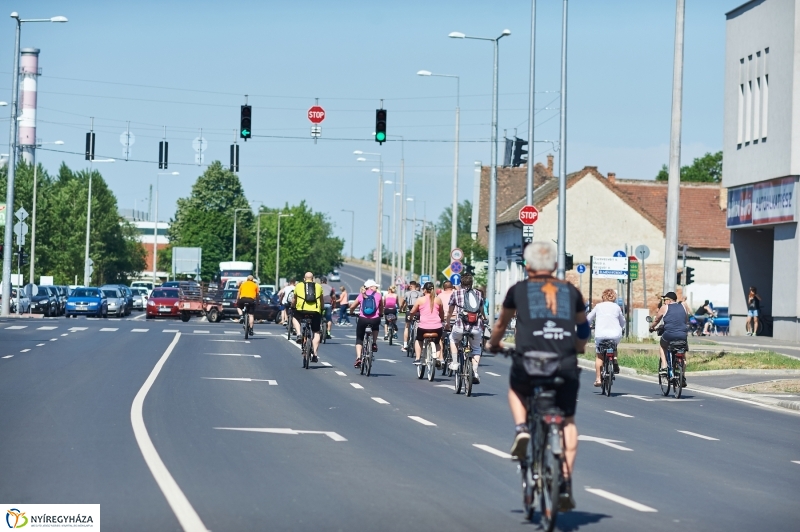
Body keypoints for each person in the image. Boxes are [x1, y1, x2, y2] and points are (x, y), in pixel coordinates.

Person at [488, 241, 588, 512]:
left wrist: (494, 344)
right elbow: (583, 327)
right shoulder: (571, 291)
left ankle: (522, 430)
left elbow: (501, 324)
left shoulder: (518, 291)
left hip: (529, 364)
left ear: (527, 266)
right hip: (565, 364)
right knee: (567, 420)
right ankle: (564, 482)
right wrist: (579, 348)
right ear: (556, 266)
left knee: (516, 390)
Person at [446, 274, 485, 384]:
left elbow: (450, 311)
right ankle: (475, 371)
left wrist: (447, 323)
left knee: (453, 339)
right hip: (476, 327)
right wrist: (484, 319)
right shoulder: (478, 294)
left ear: (461, 283)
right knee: (476, 349)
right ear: (472, 283)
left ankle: (454, 362)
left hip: (460, 325)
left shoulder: (456, 293)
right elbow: (481, 310)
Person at [586, 288, 625, 387]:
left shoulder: (598, 306)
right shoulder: (617, 307)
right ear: (614, 297)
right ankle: (614, 359)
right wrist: (621, 327)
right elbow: (623, 321)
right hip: (615, 335)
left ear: (603, 296)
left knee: (599, 356)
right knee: (613, 345)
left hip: (601, 335)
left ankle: (598, 379)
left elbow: (589, 318)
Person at [649, 291, 688, 386]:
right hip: (682, 335)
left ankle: (664, 366)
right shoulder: (683, 306)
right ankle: (682, 376)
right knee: (683, 355)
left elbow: (657, 320)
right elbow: (686, 320)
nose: (664, 301)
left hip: (669, 335)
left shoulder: (665, 307)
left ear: (670, 300)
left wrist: (651, 327)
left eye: (665, 300)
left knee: (662, 346)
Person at [409, 281, 445, 366]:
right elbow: (442, 312)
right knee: (438, 341)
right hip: (437, 326)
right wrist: (442, 320)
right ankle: (439, 358)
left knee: (419, 339)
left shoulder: (420, 299)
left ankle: (417, 358)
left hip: (424, 327)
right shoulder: (438, 299)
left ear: (424, 290)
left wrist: (410, 317)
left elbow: (412, 311)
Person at [350, 279, 383, 368]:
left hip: (363, 319)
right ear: (370, 287)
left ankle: (358, 358)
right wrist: (380, 314)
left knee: (359, 338)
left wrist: (351, 312)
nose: (376, 287)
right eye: (375, 286)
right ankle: (374, 343)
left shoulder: (361, 295)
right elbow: (381, 307)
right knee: (376, 327)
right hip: (375, 319)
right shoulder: (379, 295)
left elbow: (353, 306)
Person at [292, 273, 323, 362]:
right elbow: (321, 300)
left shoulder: (298, 286)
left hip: (301, 310)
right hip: (315, 311)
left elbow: (295, 299)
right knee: (316, 332)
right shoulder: (319, 286)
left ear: (304, 279)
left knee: (295, 318)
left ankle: (298, 334)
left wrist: (292, 306)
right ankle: (315, 354)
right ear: (313, 279)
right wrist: (321, 309)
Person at [401, 281, 422, 352]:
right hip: (418, 312)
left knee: (407, 327)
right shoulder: (420, 293)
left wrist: (401, 309)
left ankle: (405, 344)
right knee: (418, 326)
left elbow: (403, 302)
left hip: (409, 311)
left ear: (411, 286)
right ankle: (418, 342)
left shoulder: (407, 293)